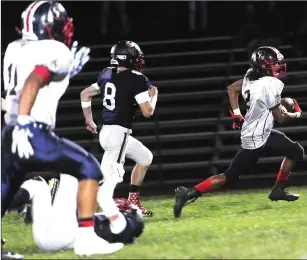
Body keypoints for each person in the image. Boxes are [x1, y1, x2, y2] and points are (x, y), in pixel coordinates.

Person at [1, 1, 123, 255]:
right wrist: (25, 120)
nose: (67, 30)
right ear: (51, 26)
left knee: (6, 188)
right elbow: (35, 79)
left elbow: (28, 83)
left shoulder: (14, 48)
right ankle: (86, 239)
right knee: (89, 168)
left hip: (10, 130)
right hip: (31, 129)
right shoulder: (57, 50)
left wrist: (64, 75)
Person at [173, 46, 305, 218]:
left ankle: (278, 189)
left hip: (260, 131)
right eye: (274, 64)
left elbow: (232, 89)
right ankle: (188, 192)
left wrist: (237, 115)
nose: (278, 67)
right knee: (228, 177)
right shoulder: (269, 84)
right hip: (256, 139)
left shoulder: (253, 75)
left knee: (295, 151)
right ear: (263, 66)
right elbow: (281, 118)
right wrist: (297, 112)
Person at [80, 40, 158, 216]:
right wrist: (154, 96)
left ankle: (133, 201)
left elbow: (85, 94)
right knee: (111, 177)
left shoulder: (106, 73)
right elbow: (147, 112)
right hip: (118, 133)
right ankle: (84, 210)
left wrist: (89, 120)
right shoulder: (136, 79)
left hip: (107, 132)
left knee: (145, 157)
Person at [8, 174, 144, 251]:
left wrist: (112, 178)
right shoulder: (122, 231)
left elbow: (102, 196)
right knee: (37, 185)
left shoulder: (123, 225)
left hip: (64, 235)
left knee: (71, 176)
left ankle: (33, 208)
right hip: (50, 239)